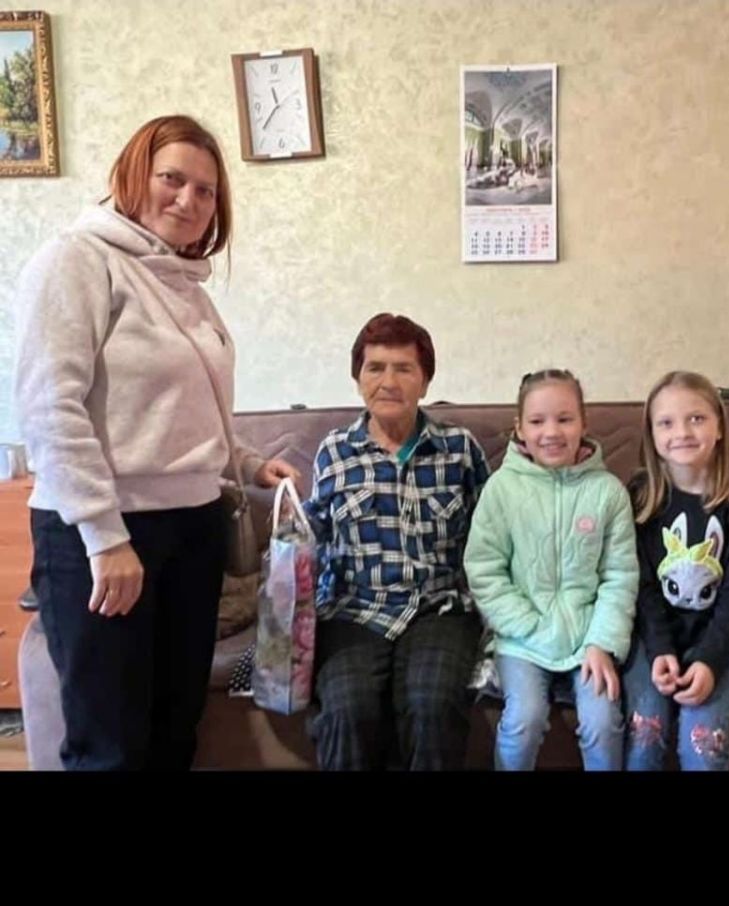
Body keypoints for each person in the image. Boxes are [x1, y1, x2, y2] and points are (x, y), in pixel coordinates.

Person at [13, 114, 297, 771]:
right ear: (134, 174)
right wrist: (105, 538)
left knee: (175, 731)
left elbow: (184, 411)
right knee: (109, 747)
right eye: (173, 179)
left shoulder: (184, 283)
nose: (188, 200)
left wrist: (249, 464)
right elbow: (50, 407)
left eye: (206, 191)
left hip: (193, 531)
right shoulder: (77, 260)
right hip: (108, 533)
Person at [305, 313, 489, 771]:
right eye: (375, 368)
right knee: (347, 708)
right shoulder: (335, 452)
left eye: (404, 368)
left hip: (440, 606)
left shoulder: (459, 449)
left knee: (431, 703)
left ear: (425, 381)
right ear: (358, 379)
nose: (388, 382)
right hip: (353, 608)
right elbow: (313, 537)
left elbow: (491, 536)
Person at [464, 369, 638, 770]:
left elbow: (620, 577)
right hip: (522, 639)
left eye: (564, 419)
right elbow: (484, 569)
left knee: (603, 722)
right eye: (537, 421)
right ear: (520, 429)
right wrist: (526, 625)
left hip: (588, 639)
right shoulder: (502, 489)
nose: (551, 432)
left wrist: (601, 642)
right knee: (523, 720)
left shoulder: (608, 492)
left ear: (584, 423)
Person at [623, 370, 729, 771]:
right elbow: (641, 588)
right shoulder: (639, 497)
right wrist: (661, 650)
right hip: (652, 636)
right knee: (645, 735)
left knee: (702, 745)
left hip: (719, 635)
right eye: (666, 423)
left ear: (719, 427)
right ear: (652, 435)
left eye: (696, 419)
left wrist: (709, 662)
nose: (682, 432)